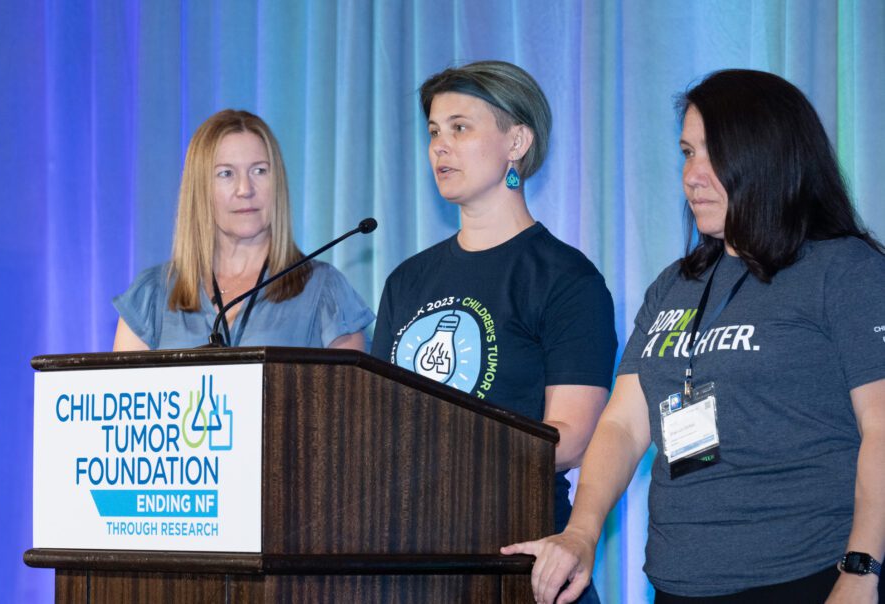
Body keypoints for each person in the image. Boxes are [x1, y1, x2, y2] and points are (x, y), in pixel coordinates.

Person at [502, 69, 885, 604]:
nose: (692, 176)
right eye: (687, 153)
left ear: (769, 157)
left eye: (713, 156)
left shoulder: (844, 269)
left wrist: (862, 570)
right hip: (678, 582)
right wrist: (582, 531)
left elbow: (882, 428)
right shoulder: (675, 285)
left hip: (808, 576)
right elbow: (624, 423)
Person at [371, 61, 617, 602]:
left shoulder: (565, 279)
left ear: (517, 141)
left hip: (518, 559)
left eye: (460, 128)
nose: (440, 146)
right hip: (411, 559)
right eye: (434, 131)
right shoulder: (407, 280)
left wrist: (445, 454)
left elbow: (570, 438)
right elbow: (377, 419)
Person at [113, 109, 374, 351]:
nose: (245, 189)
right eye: (226, 174)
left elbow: (349, 397)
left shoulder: (325, 291)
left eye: (259, 171)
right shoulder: (152, 295)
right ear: (200, 189)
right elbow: (124, 398)